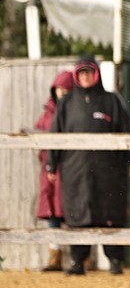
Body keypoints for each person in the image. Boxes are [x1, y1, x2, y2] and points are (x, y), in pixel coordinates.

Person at [45, 55, 130, 275]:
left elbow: (127, 131)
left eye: (89, 72)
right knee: (78, 214)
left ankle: (115, 261)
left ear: (96, 74)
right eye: (81, 73)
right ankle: (78, 261)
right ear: (76, 76)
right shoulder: (66, 104)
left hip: (109, 171)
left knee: (110, 214)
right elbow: (54, 135)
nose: (86, 76)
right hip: (74, 171)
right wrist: (52, 164)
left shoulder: (112, 101)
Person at [34, 71, 75, 271]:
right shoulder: (47, 114)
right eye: (59, 89)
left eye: (66, 89)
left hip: (70, 169)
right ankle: (54, 255)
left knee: (74, 211)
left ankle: (80, 256)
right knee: (53, 213)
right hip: (49, 171)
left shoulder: (75, 112)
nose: (62, 93)